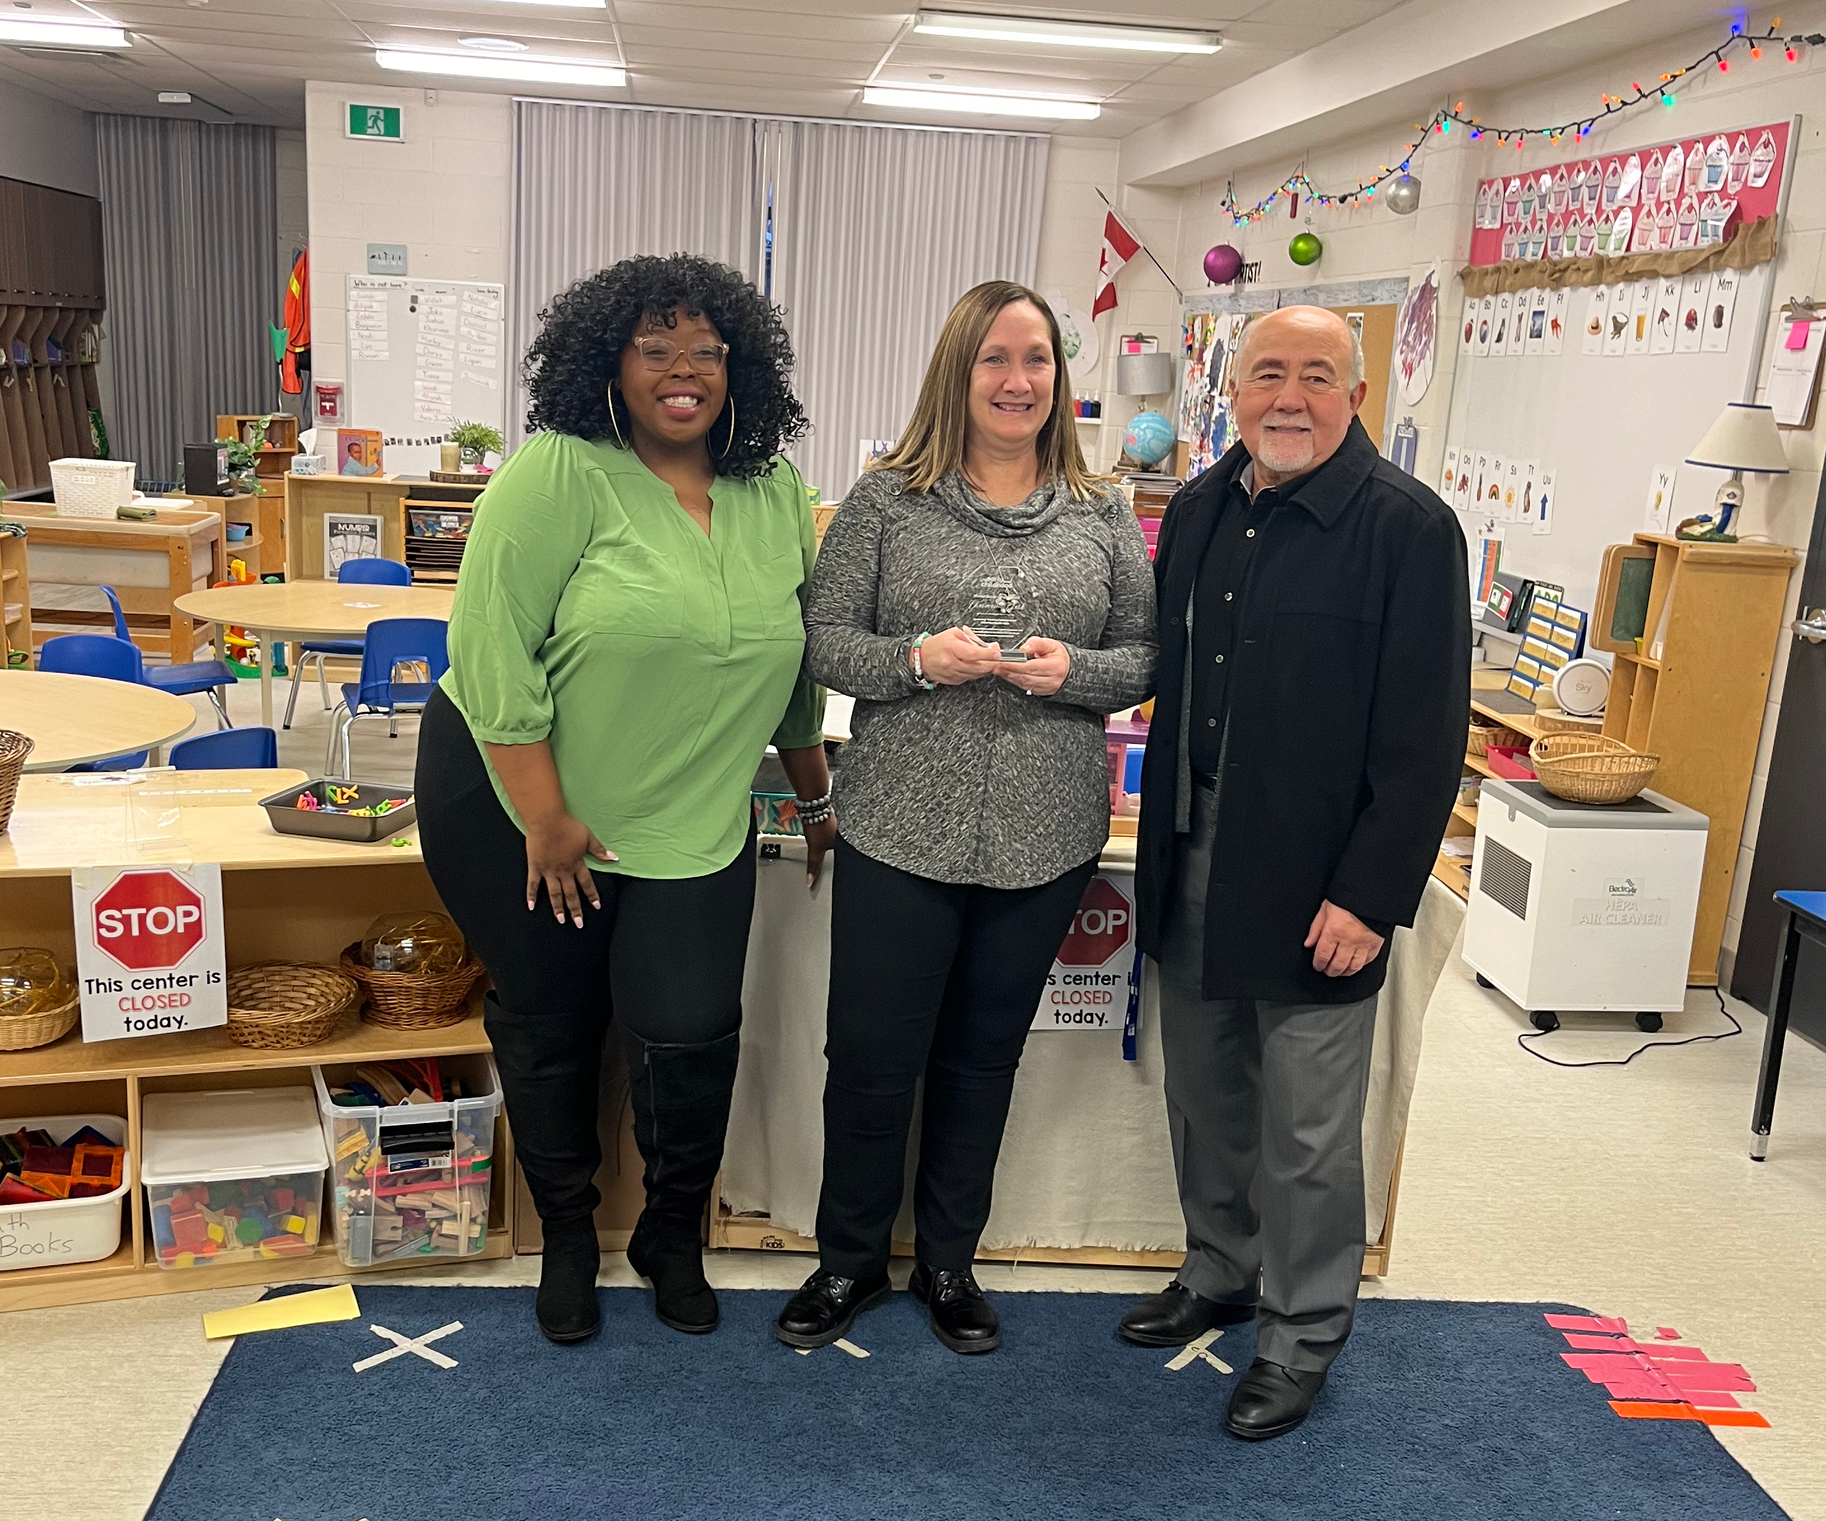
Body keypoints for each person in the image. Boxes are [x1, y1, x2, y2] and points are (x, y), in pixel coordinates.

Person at [415, 254, 836, 1345]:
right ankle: (565, 1235)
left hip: (691, 813)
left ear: (741, 368)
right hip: (518, 802)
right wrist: (548, 819)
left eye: (707, 350)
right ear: (610, 361)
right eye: (656, 348)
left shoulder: (774, 490)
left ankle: (668, 1233)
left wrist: (814, 789)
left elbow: (791, 662)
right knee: (553, 1022)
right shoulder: (558, 471)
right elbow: (491, 649)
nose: (683, 371)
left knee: (691, 1032)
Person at [775, 280, 1157, 1355]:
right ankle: (848, 1262)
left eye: (1036, 360)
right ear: (959, 370)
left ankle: (949, 1263)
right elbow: (821, 639)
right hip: (900, 825)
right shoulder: (888, 500)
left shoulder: (1104, 514)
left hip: (1043, 835)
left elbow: (1144, 657)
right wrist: (912, 660)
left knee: (983, 1059)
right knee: (870, 1057)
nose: (1018, 380)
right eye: (996, 358)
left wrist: (1075, 671)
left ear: (1059, 380)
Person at [1118, 305, 1467, 1438]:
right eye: (1267, 373)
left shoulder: (1408, 529)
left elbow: (1425, 742)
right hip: (1191, 847)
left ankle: (1303, 1330)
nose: (1289, 398)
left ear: (1356, 396)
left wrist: (1370, 897)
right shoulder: (1207, 506)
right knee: (1205, 1097)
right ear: (1232, 389)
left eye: (1318, 376)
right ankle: (1219, 1266)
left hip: (1322, 879)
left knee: (1310, 1132)